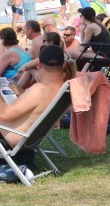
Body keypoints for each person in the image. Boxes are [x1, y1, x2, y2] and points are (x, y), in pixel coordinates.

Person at [0, 45, 66, 173]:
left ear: (39, 65)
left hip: (14, 137)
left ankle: (13, 168)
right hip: (29, 140)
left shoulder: (39, 90)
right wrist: (22, 94)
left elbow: (4, 115)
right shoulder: (63, 89)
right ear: (63, 65)